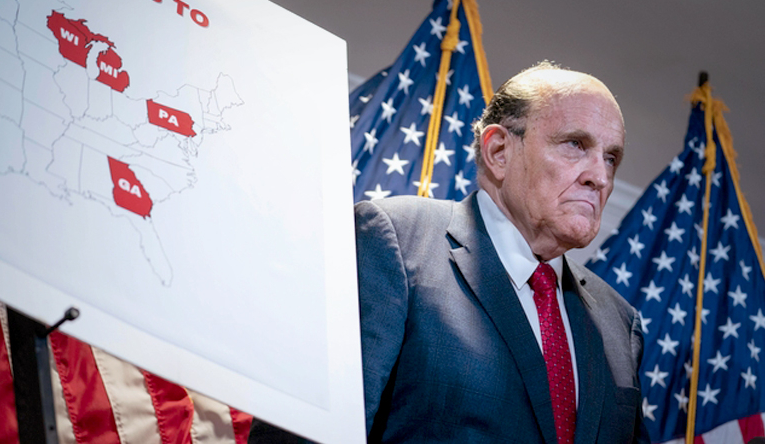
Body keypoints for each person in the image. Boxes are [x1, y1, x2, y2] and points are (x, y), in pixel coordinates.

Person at [250, 61, 649, 443]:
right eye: (575, 144)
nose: (600, 176)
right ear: (498, 152)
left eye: (611, 157)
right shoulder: (397, 241)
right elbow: (306, 433)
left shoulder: (619, 322)